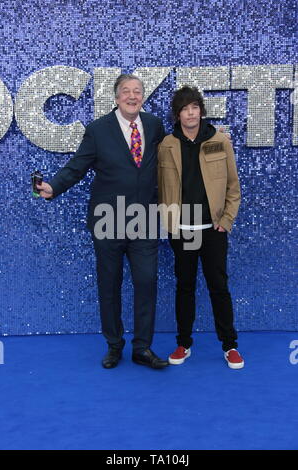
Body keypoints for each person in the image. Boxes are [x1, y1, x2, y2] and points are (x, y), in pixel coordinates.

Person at [36, 74, 169, 369]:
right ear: (116, 97)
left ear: (143, 96)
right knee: (110, 286)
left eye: (137, 91)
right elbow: (77, 166)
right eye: (126, 92)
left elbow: (169, 163)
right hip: (107, 221)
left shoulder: (154, 126)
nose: (132, 96)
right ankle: (114, 345)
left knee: (146, 282)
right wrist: (54, 186)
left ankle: (142, 348)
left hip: (145, 220)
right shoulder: (98, 130)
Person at [158, 86, 244, 369]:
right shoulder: (167, 145)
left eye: (194, 107)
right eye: (184, 109)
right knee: (185, 287)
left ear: (201, 111)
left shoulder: (220, 141)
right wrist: (168, 222)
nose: (190, 113)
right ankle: (183, 343)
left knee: (218, 286)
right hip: (182, 229)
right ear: (178, 114)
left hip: (212, 229)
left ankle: (230, 345)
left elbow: (233, 187)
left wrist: (226, 221)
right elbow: (159, 188)